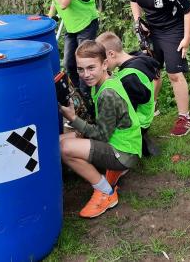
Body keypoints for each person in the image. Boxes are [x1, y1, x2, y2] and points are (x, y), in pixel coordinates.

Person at [59, 40, 142, 218]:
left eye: (91, 67)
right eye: (80, 69)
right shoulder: (103, 81)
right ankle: (110, 173)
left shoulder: (107, 94)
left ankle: (106, 192)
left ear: (104, 64)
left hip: (125, 152)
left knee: (63, 149)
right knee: (60, 140)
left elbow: (102, 136)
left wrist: (73, 118)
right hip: (122, 143)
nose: (85, 74)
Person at [129, 0, 190, 137]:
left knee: (174, 74)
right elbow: (134, 0)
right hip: (152, 31)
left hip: (173, 32)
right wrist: (138, 21)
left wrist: (187, 38)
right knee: (152, 70)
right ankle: (151, 106)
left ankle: (185, 118)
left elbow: (189, 11)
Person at [96, 31, 161, 158]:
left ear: (111, 54)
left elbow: (126, 109)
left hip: (139, 124)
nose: (102, 65)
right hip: (145, 117)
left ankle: (139, 143)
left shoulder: (129, 77)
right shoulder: (136, 57)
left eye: (103, 61)